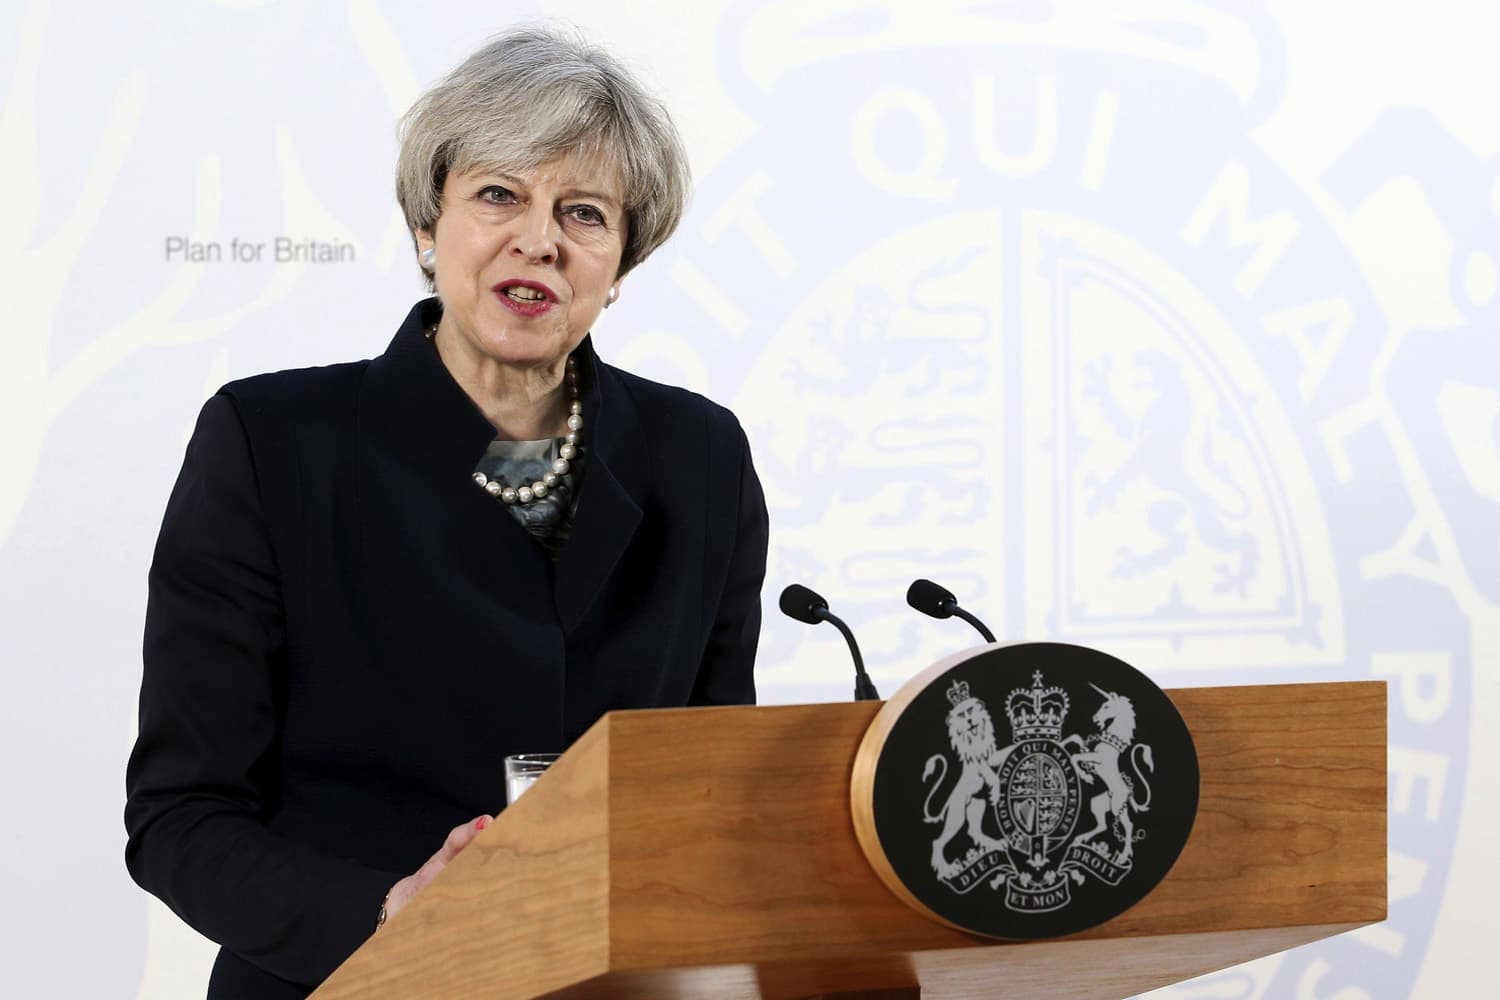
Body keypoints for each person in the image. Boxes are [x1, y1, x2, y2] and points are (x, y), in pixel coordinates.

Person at [124, 25, 768, 1000]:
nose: (539, 237)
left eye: (585, 212)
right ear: (430, 225)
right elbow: (181, 818)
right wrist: (390, 910)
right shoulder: (272, 443)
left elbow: (710, 797)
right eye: (500, 194)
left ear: (621, 263)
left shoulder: (702, 457)